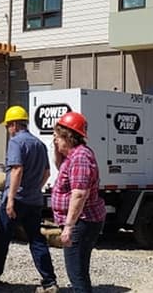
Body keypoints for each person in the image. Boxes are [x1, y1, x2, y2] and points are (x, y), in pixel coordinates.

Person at [0, 105, 58, 293]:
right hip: (34, 200)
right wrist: (34, 188)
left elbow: (17, 170)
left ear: (14, 125)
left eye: (8, 126)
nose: (8, 130)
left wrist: (11, 199)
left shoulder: (17, 142)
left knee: (2, 238)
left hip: (16, 200)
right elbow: (47, 173)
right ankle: (49, 281)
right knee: (37, 240)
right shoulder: (39, 144)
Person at [50, 112, 106, 293]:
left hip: (82, 222)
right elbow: (60, 167)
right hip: (80, 222)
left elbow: (80, 194)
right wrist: (55, 147)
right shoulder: (73, 156)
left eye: (58, 137)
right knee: (78, 270)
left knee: (77, 273)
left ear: (68, 137)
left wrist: (68, 227)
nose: (55, 140)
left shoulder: (80, 157)